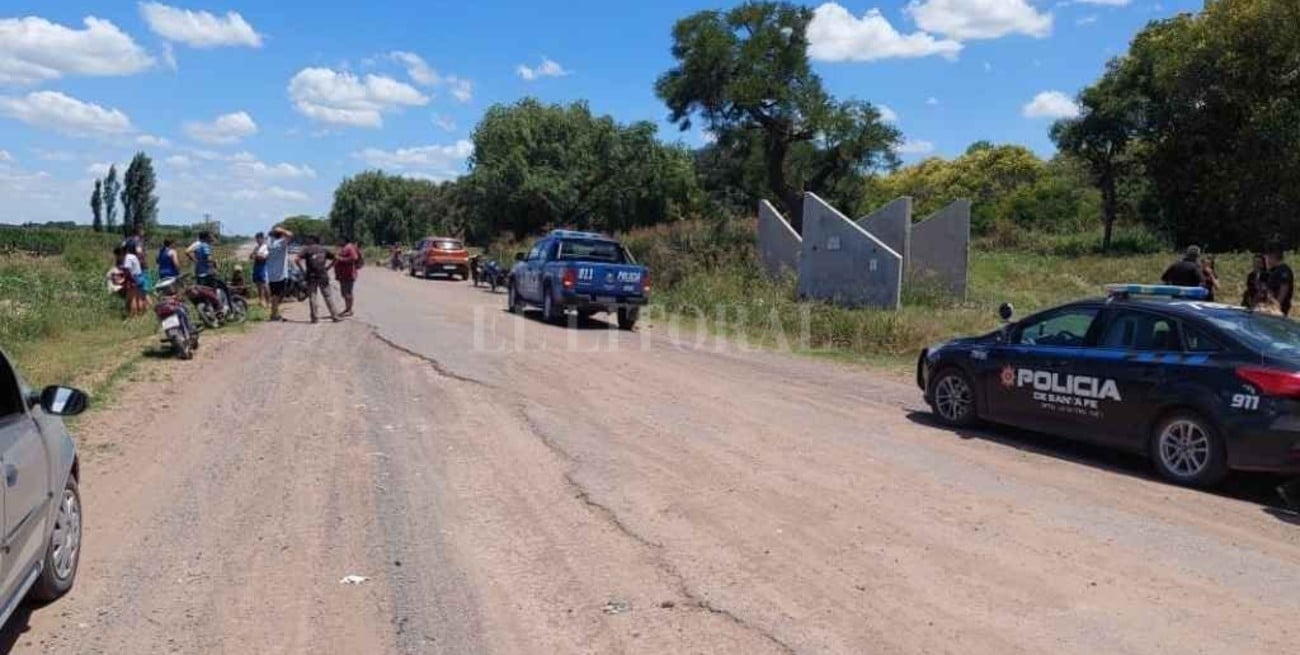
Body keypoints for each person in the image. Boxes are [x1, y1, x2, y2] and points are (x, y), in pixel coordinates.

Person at [295, 235, 340, 323]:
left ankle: (315, 318)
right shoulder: (324, 249)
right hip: (323, 275)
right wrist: (328, 267)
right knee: (328, 296)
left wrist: (302, 271)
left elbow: (296, 260)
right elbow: (336, 258)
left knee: (313, 296)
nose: (307, 240)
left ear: (312, 240)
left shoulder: (307, 249)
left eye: (308, 239)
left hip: (311, 276)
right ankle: (335, 316)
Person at [265, 225, 294, 322]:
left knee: (275, 295)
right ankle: (274, 314)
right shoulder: (281, 242)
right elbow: (290, 235)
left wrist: (273, 231)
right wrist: (282, 229)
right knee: (278, 295)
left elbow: (269, 237)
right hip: (281, 273)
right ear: (281, 235)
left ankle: (275, 313)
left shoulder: (269, 243)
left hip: (271, 274)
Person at [335, 237, 360, 317]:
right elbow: (336, 259)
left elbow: (354, 257)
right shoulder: (343, 248)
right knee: (344, 293)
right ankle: (347, 308)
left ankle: (350, 310)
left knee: (348, 292)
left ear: (344, 240)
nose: (338, 241)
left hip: (348, 274)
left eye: (340, 240)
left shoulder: (349, 247)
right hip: (342, 275)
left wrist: (342, 259)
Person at [1265, 248, 1294, 316]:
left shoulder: (1283, 270)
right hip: (1271, 305)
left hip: (1279, 307)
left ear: (1273, 257)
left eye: (1268, 258)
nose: (1267, 261)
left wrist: (1277, 305)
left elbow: (1284, 288)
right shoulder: (1274, 270)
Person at [250, 232, 270, 306]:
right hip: (256, 266)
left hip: (263, 267)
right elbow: (251, 256)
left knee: (265, 285)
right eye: (256, 239)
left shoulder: (265, 247)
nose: (257, 240)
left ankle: (268, 302)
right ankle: (261, 300)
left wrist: (255, 256)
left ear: (262, 238)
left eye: (258, 238)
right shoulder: (256, 247)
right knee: (258, 285)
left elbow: (264, 257)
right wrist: (255, 255)